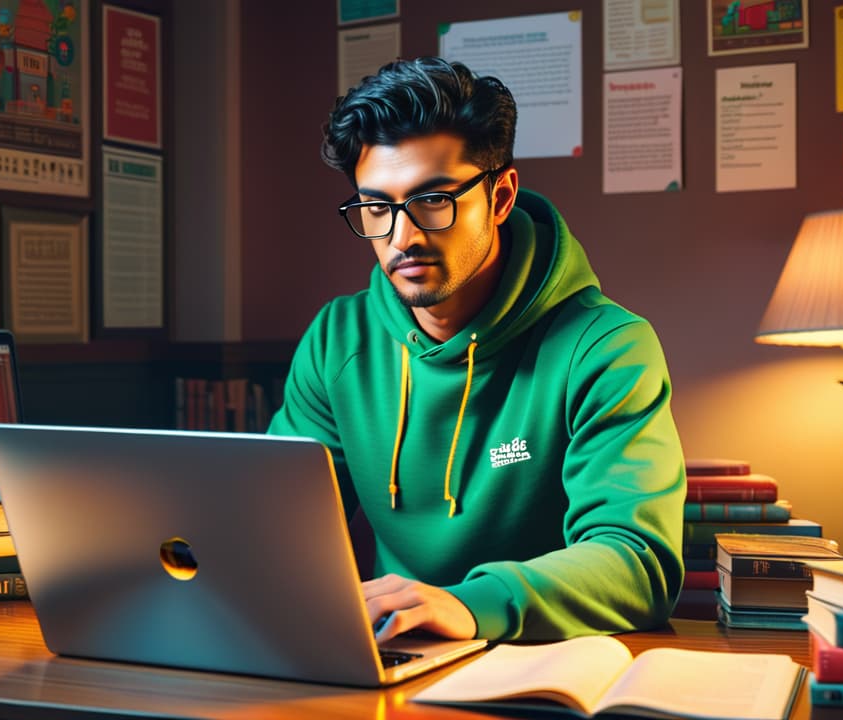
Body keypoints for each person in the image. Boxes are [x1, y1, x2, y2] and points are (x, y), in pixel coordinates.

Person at [267, 57, 685, 643]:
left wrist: (468, 605)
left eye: (432, 200)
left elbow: (638, 562)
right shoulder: (339, 340)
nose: (401, 236)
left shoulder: (607, 347)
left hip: (548, 662)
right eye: (376, 208)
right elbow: (270, 524)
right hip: (398, 655)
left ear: (502, 196)